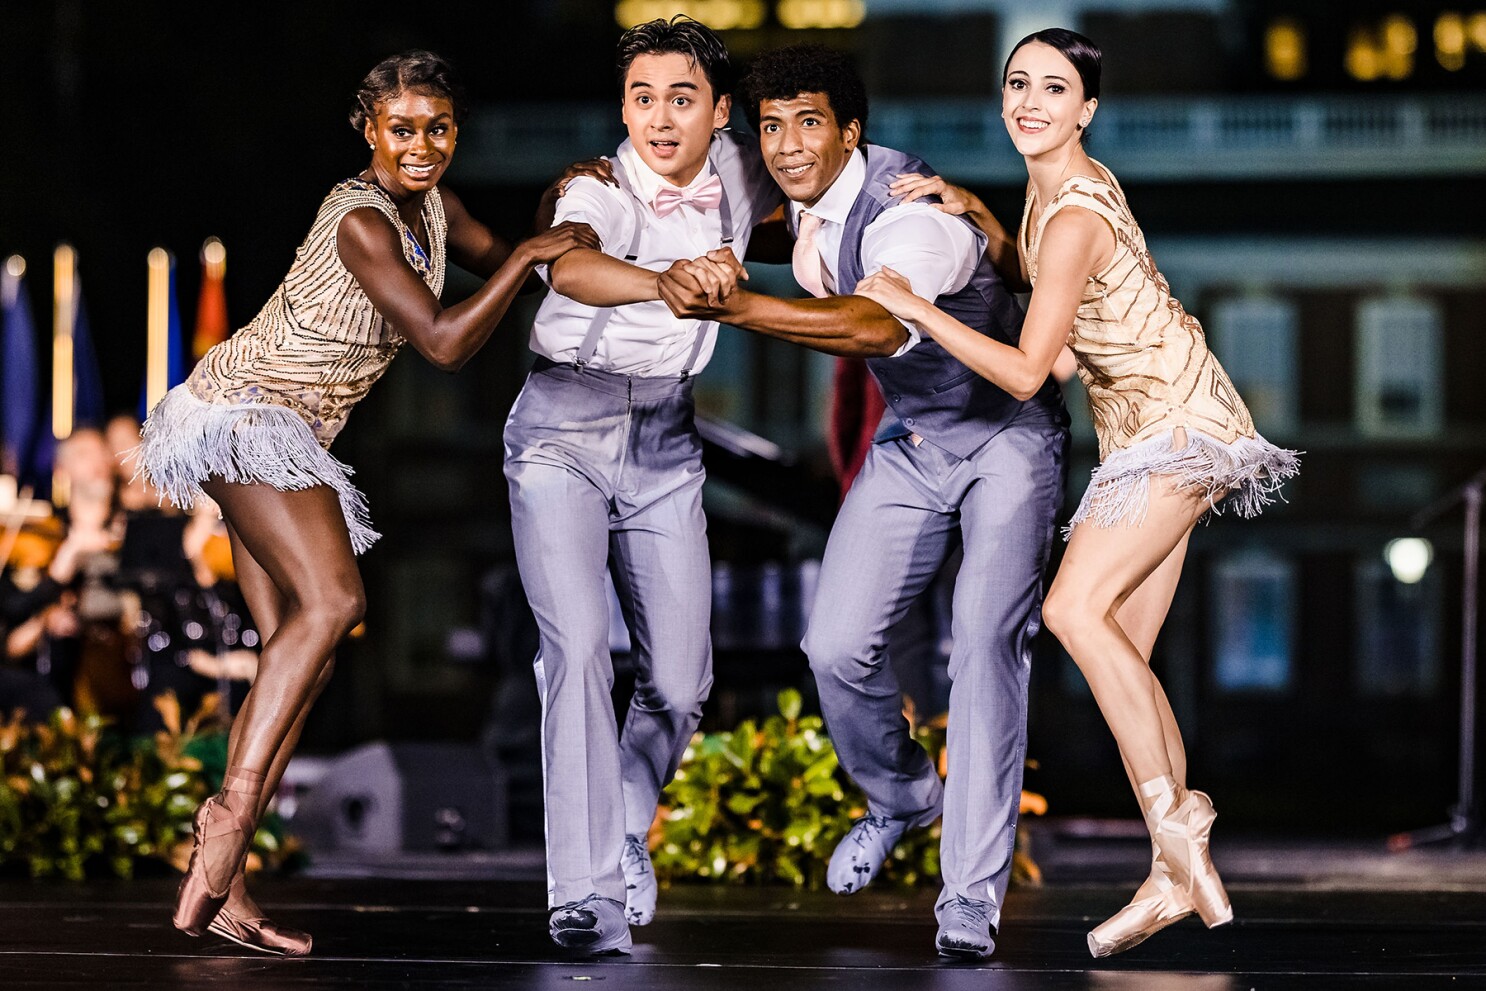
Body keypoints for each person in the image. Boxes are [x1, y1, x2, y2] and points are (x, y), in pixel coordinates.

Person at [134, 50, 600, 957]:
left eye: (438, 128)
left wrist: (560, 212)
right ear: (370, 131)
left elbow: (527, 267)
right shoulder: (361, 221)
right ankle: (224, 824)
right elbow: (444, 342)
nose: (421, 145)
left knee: (297, 655)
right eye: (402, 129)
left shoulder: (439, 209)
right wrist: (530, 255)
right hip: (245, 413)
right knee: (336, 602)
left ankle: (229, 885)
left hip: (285, 429)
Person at [859, 28, 1300, 958]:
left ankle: (1182, 830)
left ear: (1086, 110)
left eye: (1054, 89)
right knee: (1121, 652)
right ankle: (1170, 873)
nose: (1030, 102)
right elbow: (1045, 290)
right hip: (1149, 430)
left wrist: (917, 308)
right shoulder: (1051, 192)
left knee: (1070, 612)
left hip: (1175, 428)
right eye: (1018, 83)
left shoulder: (1072, 215)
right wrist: (978, 210)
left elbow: (1029, 371)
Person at [659, 43, 1069, 960]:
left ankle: (969, 898)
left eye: (809, 123)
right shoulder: (807, 208)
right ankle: (903, 797)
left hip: (1007, 434)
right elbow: (783, 233)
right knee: (835, 645)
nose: (786, 146)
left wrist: (734, 308)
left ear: (851, 132)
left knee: (984, 648)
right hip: (913, 438)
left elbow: (879, 325)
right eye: (772, 127)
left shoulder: (911, 215)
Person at [503, 16, 783, 955]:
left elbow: (824, 166)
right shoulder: (599, 188)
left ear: (720, 111)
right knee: (579, 648)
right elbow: (571, 263)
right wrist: (665, 280)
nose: (660, 120)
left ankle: (624, 819)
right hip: (563, 430)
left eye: (681, 99)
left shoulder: (741, 169)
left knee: (680, 680)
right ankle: (581, 894)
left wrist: (929, 193)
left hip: (667, 435)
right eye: (641, 98)